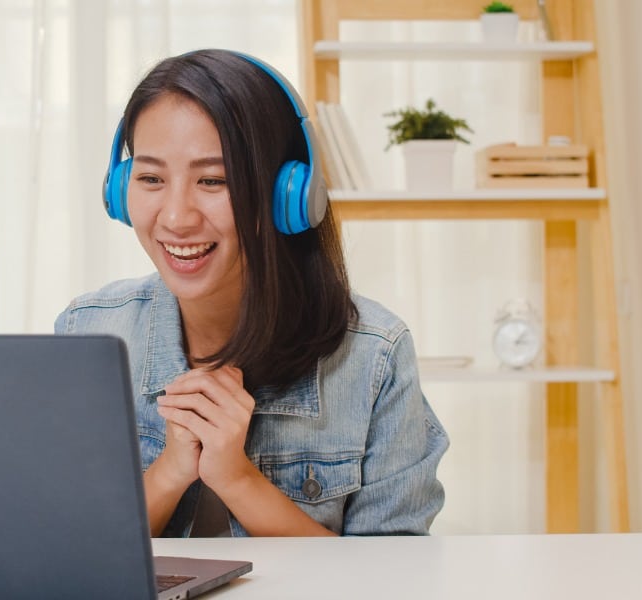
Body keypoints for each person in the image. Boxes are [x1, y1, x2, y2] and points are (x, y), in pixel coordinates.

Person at [54, 49, 447, 537]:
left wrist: (237, 480)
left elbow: (390, 579)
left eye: (214, 180)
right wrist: (171, 471)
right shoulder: (86, 331)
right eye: (151, 178)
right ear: (119, 190)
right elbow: (70, 555)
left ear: (289, 195)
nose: (176, 217)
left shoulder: (373, 355)